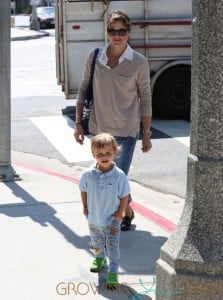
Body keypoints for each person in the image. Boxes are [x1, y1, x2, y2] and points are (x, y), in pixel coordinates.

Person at [74, 10, 152, 231]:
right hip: (100, 130)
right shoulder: (95, 56)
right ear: (107, 31)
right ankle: (127, 211)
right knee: (111, 176)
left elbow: (145, 98)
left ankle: (116, 219)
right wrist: (78, 123)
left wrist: (146, 133)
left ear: (128, 32)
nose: (117, 35)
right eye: (112, 31)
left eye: (122, 31)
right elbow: (83, 89)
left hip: (126, 131)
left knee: (117, 177)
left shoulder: (138, 62)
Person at [79, 133, 130, 289]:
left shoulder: (119, 176)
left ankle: (113, 271)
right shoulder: (88, 175)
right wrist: (85, 207)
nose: (104, 156)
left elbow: (124, 196)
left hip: (112, 220)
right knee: (96, 243)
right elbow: (83, 190)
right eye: (99, 154)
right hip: (93, 218)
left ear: (115, 152)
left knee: (112, 246)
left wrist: (120, 214)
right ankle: (99, 258)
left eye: (108, 153)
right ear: (94, 154)